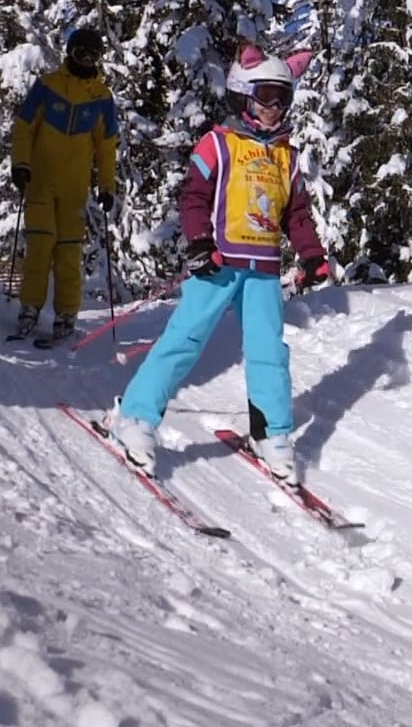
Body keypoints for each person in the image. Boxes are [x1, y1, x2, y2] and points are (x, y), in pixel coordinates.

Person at [102, 44, 331, 485]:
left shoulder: (287, 156)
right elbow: (193, 198)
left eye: (283, 96)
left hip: (263, 270)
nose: (275, 107)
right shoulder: (218, 144)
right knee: (185, 339)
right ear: (243, 94)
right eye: (266, 94)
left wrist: (312, 255)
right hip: (219, 264)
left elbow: (296, 214)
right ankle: (134, 416)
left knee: (268, 351)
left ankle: (273, 433)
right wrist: (200, 244)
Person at [10, 26, 119, 342]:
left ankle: (66, 315)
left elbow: (106, 147)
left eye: (92, 55)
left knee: (69, 253)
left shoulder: (101, 98)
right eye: (80, 53)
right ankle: (30, 308)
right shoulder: (48, 86)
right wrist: (21, 164)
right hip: (41, 183)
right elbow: (24, 128)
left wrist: (107, 186)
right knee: (40, 248)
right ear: (69, 52)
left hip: (75, 190)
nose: (85, 60)